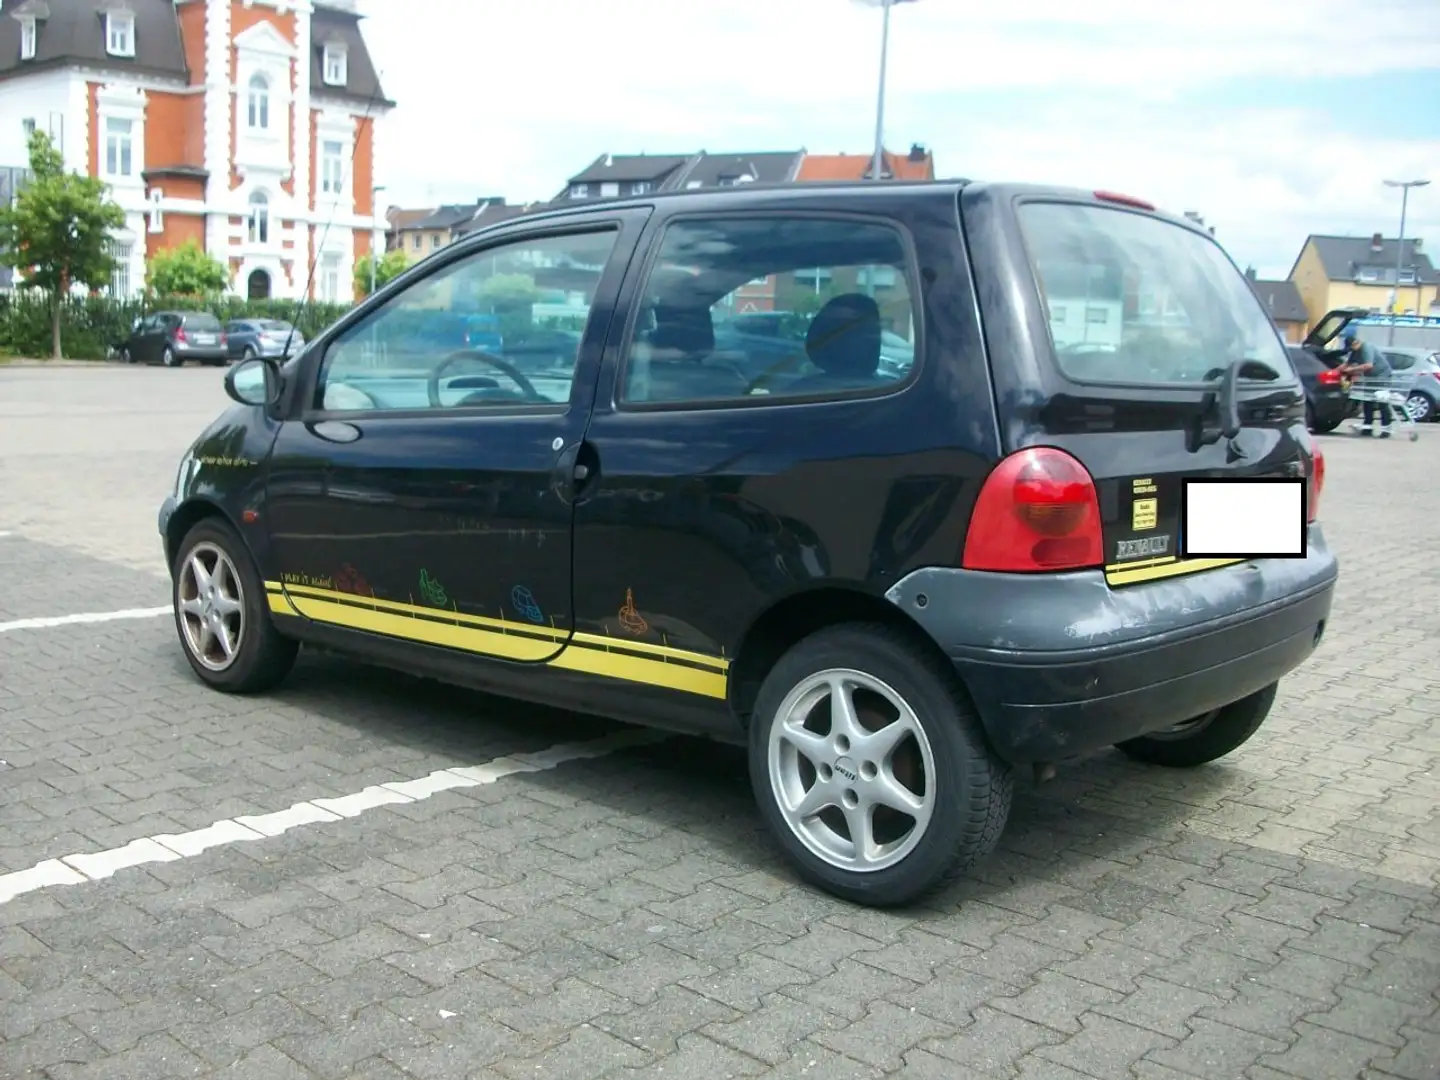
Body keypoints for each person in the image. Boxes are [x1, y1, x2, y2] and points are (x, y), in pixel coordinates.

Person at [1337, 325, 1394, 437]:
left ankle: (1386, 429)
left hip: (1382, 377)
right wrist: (1336, 370)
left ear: (1356, 343)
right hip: (1371, 378)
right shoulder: (1355, 351)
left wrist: (1352, 370)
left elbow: (1368, 365)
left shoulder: (1366, 348)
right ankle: (1367, 428)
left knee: (1382, 402)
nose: (1351, 350)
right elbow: (1347, 363)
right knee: (1368, 401)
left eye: (1352, 347)